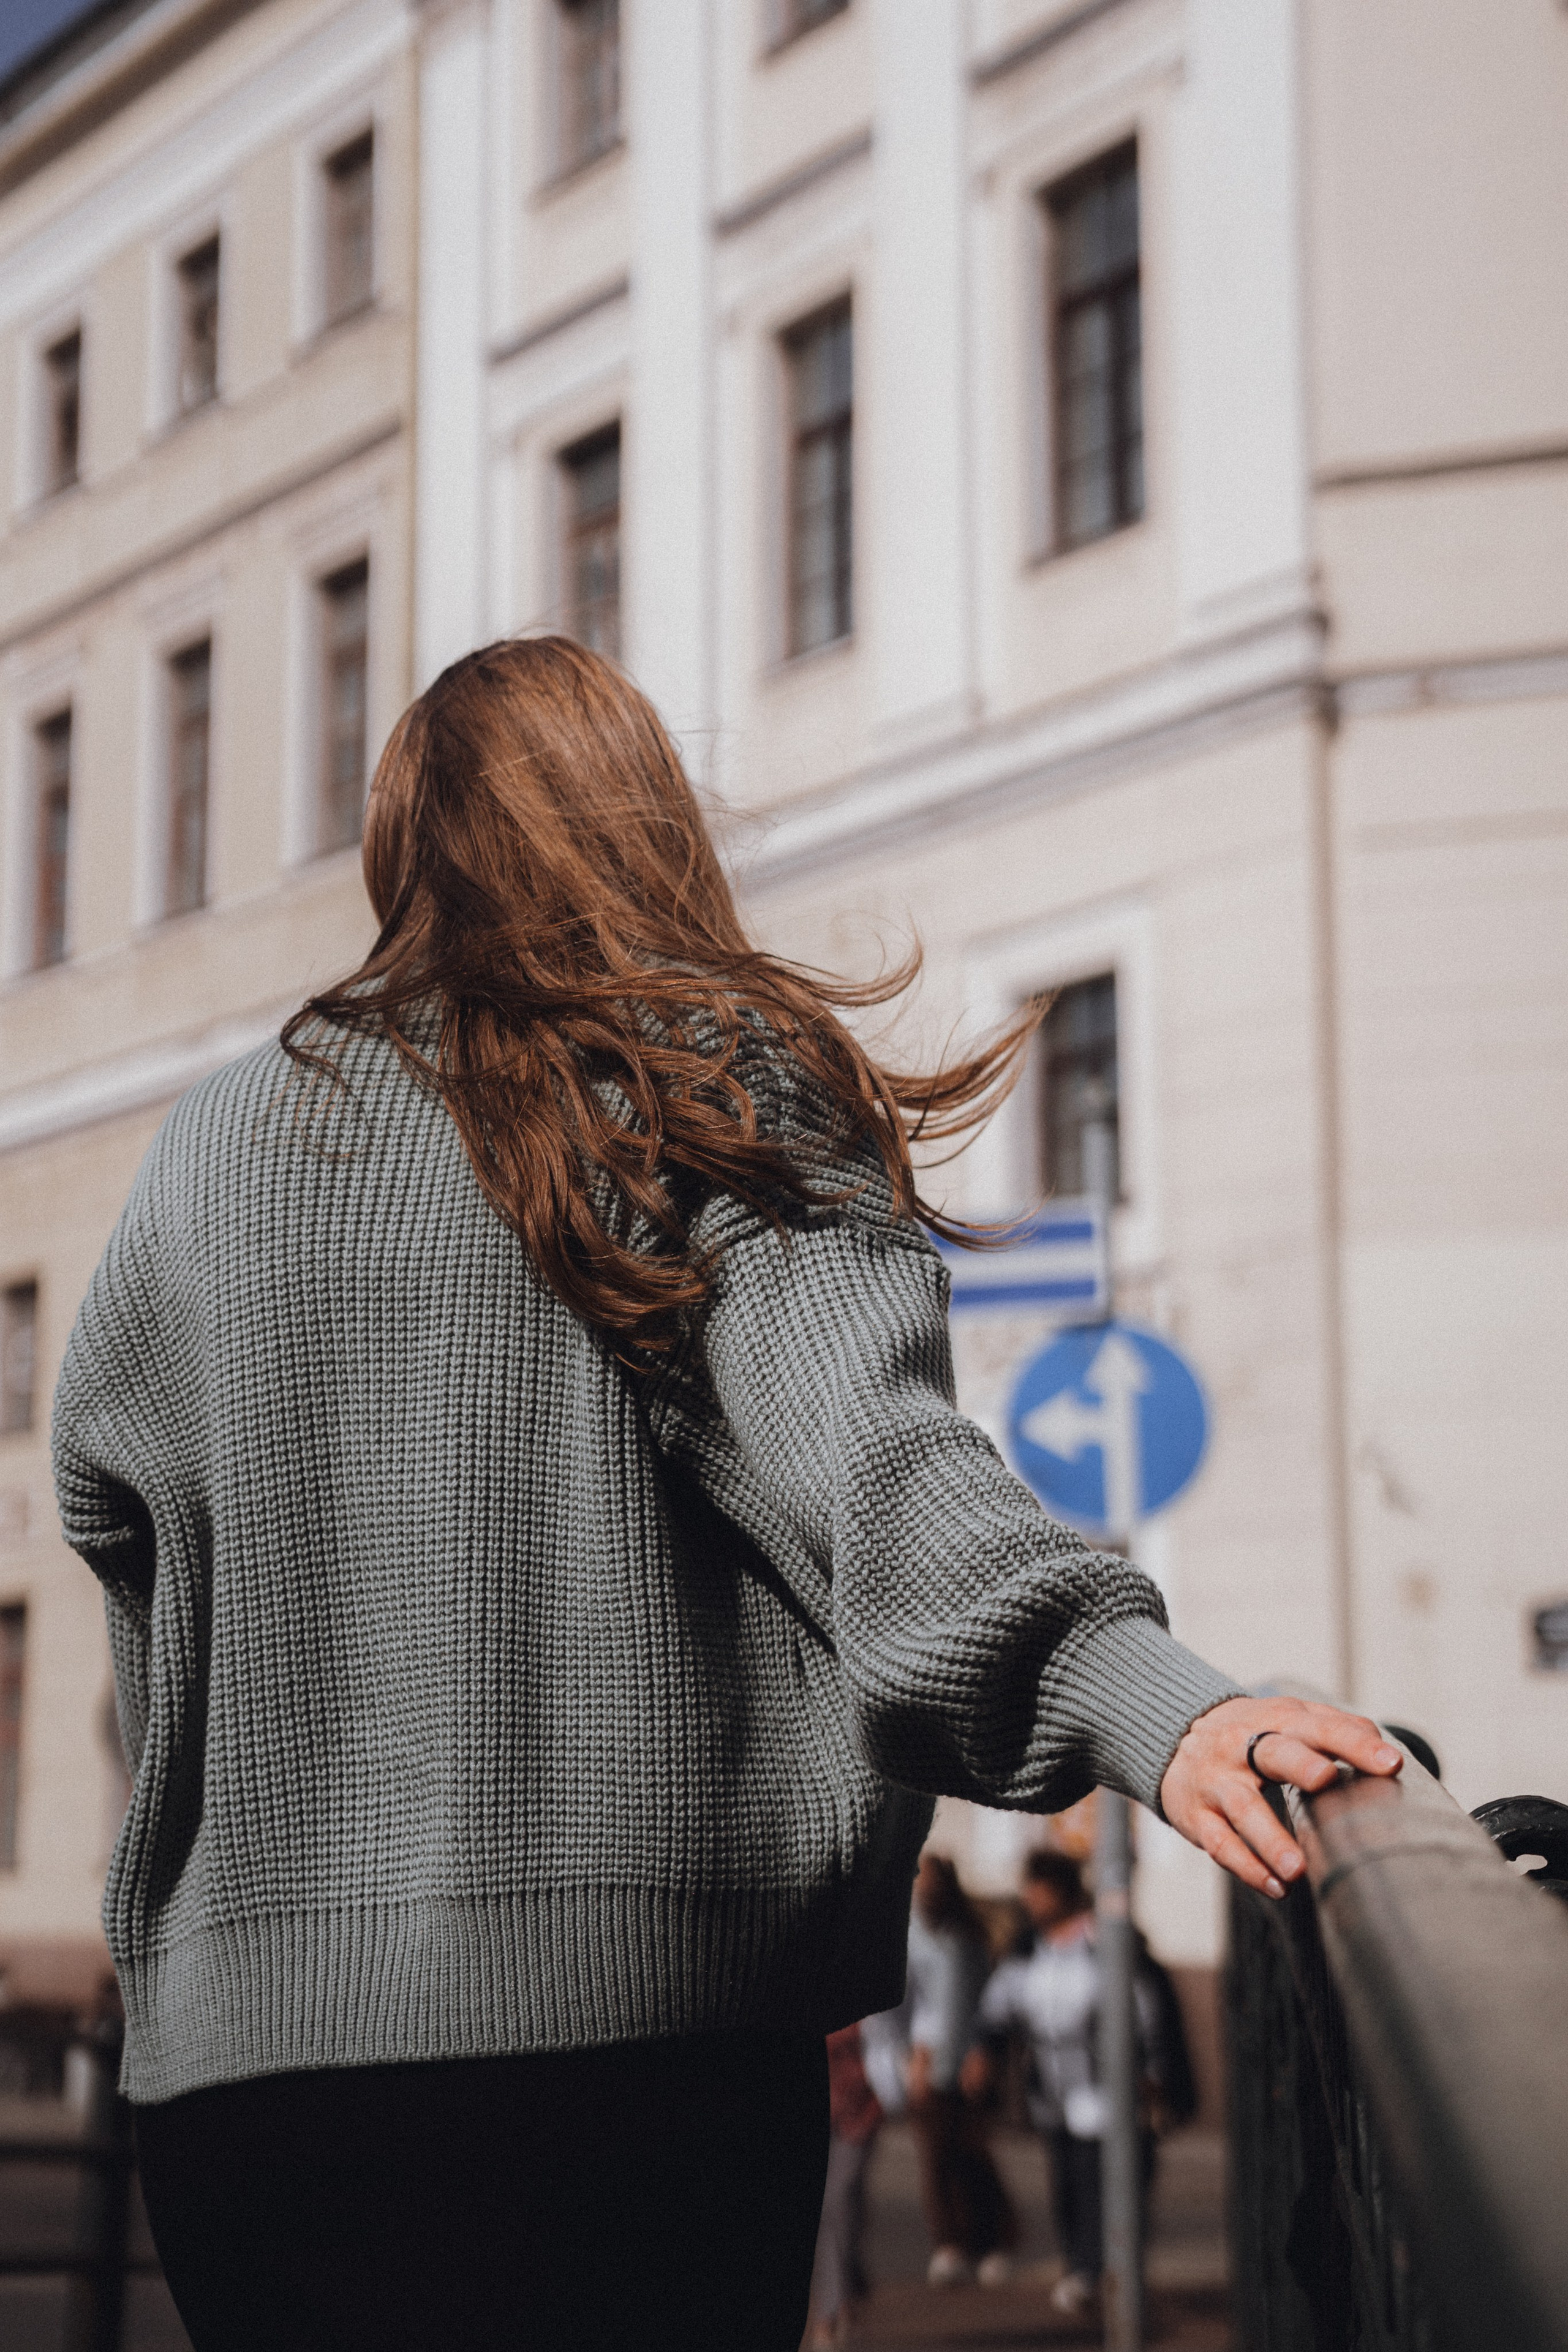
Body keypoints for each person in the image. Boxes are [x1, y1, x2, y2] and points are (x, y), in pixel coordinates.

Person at [51, 635, 1403, 2351]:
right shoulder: (701, 1078)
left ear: (405, 851)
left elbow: (123, 1542)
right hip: (632, 2077)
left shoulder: (210, 1151)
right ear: (645, 818)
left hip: (245, 2103)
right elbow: (884, 1484)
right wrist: (1158, 1706)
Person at [963, 1850, 1178, 2318]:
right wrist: (984, 2051)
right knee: (1067, 2181)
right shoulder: (1027, 1949)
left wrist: (1154, 2073)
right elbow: (999, 2007)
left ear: (1062, 1891)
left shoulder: (1103, 1941)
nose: (1030, 1898)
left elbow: (1146, 2006)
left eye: (1038, 1888)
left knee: (1101, 2178)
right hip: (1053, 2091)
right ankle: (1085, 2269)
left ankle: (1096, 2272)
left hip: (1107, 2092)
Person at [905, 1854, 1016, 2285]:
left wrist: (982, 2052)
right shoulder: (913, 1937)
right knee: (936, 2157)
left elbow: (982, 2002)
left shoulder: (967, 1938)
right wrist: (910, 2056)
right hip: (927, 2065)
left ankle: (993, 2241)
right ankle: (949, 2244)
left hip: (967, 2062)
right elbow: (908, 2004)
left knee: (974, 2154)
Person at [807, 2022, 884, 2350]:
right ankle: (849, 2280)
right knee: (836, 2208)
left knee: (837, 2201)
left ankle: (831, 2311)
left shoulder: (862, 1999)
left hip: (861, 2111)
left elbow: (888, 2046)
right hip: (818, 2111)